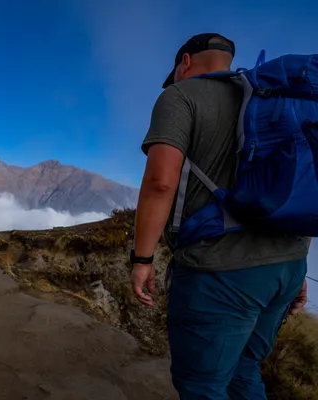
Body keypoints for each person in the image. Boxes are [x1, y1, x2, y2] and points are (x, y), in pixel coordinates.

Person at [130, 33, 309, 399]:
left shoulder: (180, 95)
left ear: (184, 63)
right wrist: (298, 265)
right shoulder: (272, 97)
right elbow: (302, 182)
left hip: (220, 272)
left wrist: (142, 258)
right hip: (288, 266)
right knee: (245, 368)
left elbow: (161, 183)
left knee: (202, 386)